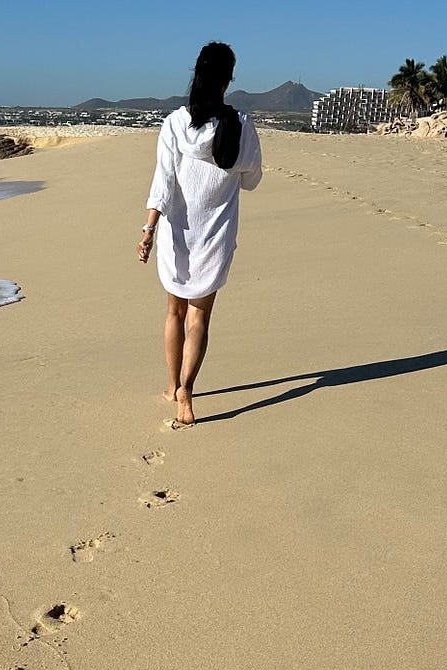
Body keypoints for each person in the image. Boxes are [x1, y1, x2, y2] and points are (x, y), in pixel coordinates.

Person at [137, 41, 263, 427]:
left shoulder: (175, 124)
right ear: (228, 80)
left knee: (174, 312)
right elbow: (253, 180)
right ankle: (186, 392)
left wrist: (148, 229)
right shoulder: (241, 126)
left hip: (177, 233)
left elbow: (163, 182)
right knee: (199, 319)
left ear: (197, 76)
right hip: (216, 236)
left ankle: (173, 384)